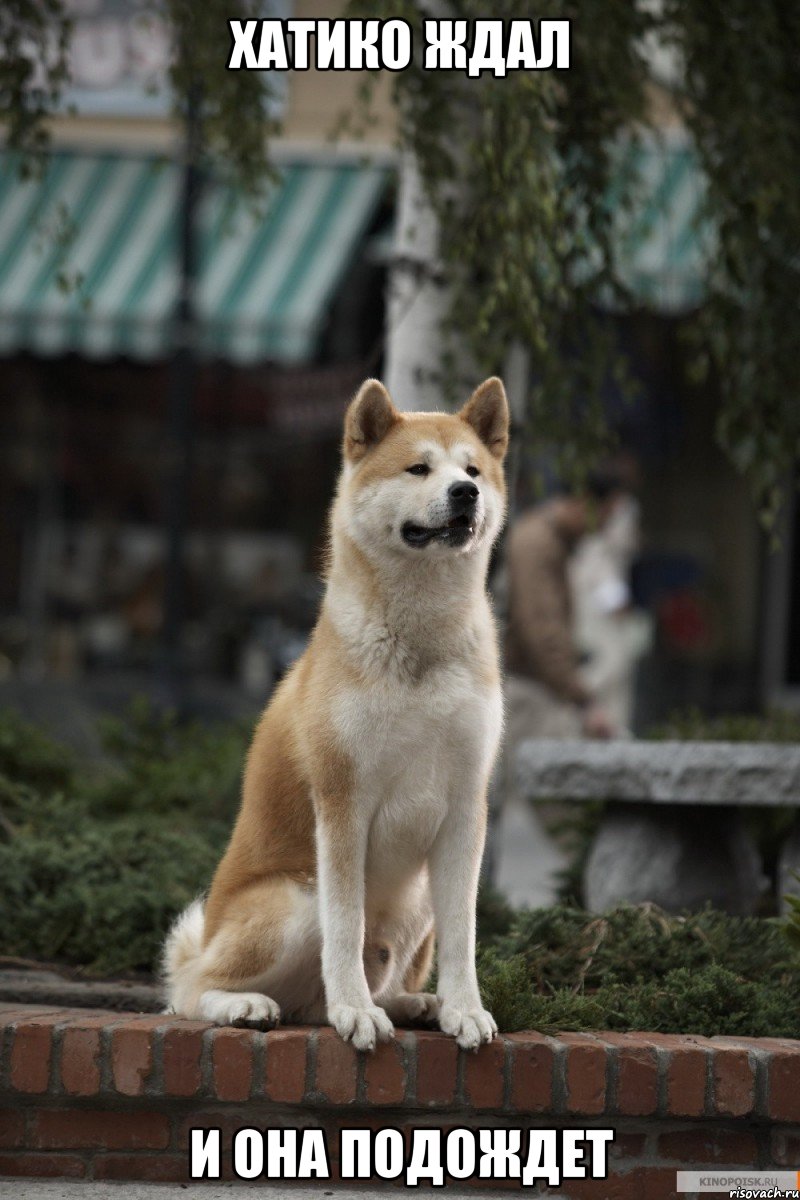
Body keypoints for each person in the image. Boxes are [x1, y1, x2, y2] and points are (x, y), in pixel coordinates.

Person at [504, 470, 627, 743]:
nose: (605, 527)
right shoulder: (538, 544)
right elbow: (542, 630)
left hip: (537, 687)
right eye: (606, 515)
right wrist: (583, 701)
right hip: (527, 691)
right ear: (586, 502)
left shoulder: (551, 541)